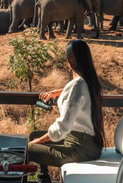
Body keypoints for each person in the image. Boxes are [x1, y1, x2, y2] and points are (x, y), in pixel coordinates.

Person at [27, 39, 104, 183]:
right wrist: (57, 93)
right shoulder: (88, 80)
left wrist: (40, 141)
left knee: (28, 148)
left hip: (80, 148)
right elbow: (78, 93)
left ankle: (42, 179)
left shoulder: (78, 85)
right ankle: (43, 177)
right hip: (89, 144)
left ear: (72, 58)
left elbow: (63, 127)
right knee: (33, 135)